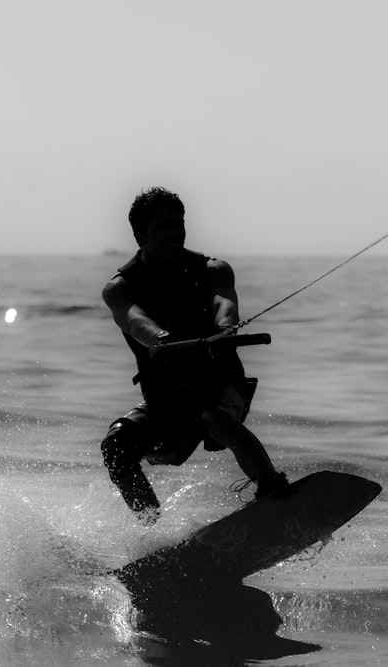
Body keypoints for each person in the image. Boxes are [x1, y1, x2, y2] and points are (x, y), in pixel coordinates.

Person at [100, 186, 288, 522]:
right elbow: (134, 320)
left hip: (221, 386)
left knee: (213, 414)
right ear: (140, 234)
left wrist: (224, 328)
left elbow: (224, 303)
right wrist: (161, 338)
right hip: (168, 400)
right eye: (163, 226)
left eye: (179, 223)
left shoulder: (213, 270)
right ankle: (150, 529)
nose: (175, 232)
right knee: (117, 446)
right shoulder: (121, 288)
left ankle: (271, 487)